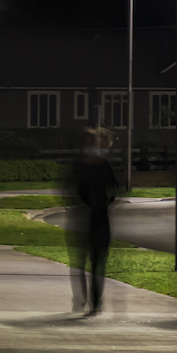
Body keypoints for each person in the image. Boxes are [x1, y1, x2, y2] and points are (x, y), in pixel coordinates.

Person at [68, 128, 121, 316]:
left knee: (98, 261)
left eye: (94, 142)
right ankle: (81, 298)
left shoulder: (104, 165)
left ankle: (96, 300)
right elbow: (72, 189)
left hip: (100, 217)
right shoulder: (78, 166)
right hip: (82, 220)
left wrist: (107, 201)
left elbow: (114, 186)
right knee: (80, 262)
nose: (92, 146)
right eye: (89, 142)